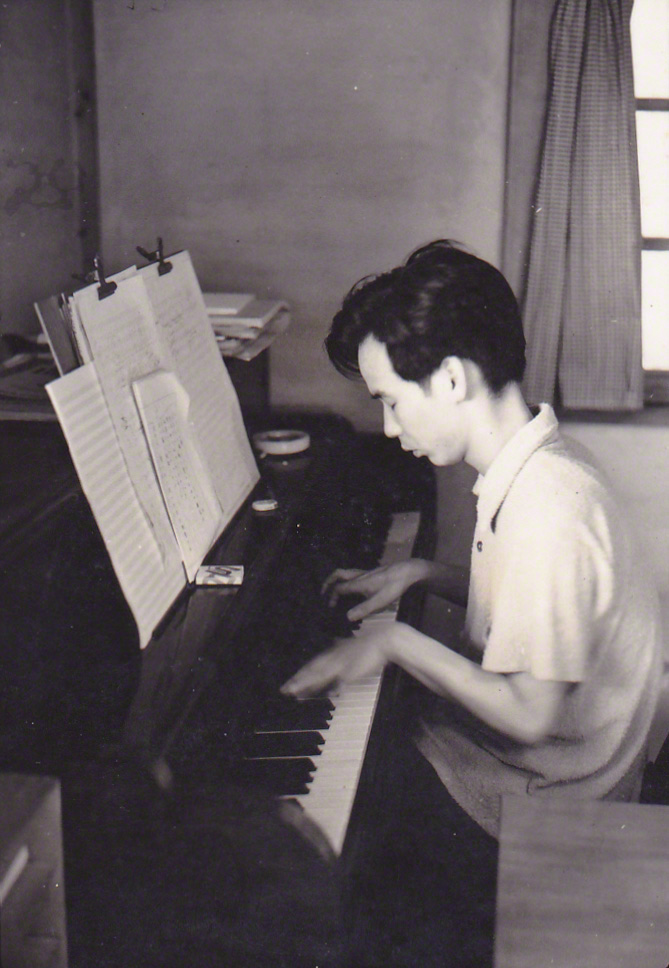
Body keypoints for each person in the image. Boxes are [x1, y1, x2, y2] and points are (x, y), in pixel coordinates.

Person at [281, 239, 663, 967]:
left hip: (550, 795)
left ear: (451, 379)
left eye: (391, 401)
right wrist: (426, 573)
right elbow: (542, 609)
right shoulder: (541, 463)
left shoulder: (548, 508)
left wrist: (394, 643)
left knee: (334, 857)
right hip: (559, 764)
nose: (390, 429)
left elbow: (528, 714)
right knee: (374, 764)